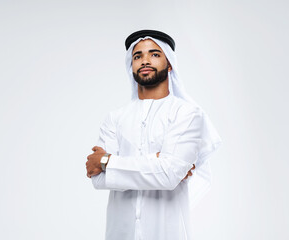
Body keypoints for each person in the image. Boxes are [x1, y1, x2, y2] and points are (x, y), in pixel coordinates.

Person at [85, 30, 222, 240]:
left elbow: (168, 175)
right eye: (137, 56)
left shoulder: (187, 114)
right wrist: (157, 163)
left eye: (154, 54)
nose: (145, 60)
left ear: (169, 64)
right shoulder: (115, 118)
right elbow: (99, 180)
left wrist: (106, 161)